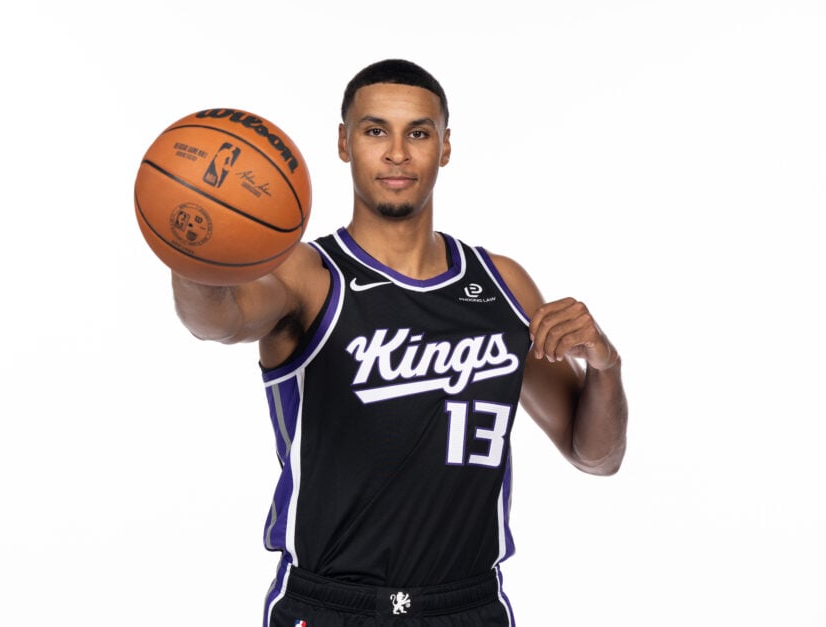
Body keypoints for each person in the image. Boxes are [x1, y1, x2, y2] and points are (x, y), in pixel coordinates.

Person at [170, 59, 628, 626]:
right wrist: (192, 249)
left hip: (468, 605)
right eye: (374, 130)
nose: (396, 152)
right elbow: (217, 320)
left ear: (445, 146)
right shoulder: (308, 275)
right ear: (344, 142)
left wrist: (607, 366)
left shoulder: (502, 283)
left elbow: (596, 456)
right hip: (332, 605)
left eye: (418, 132)